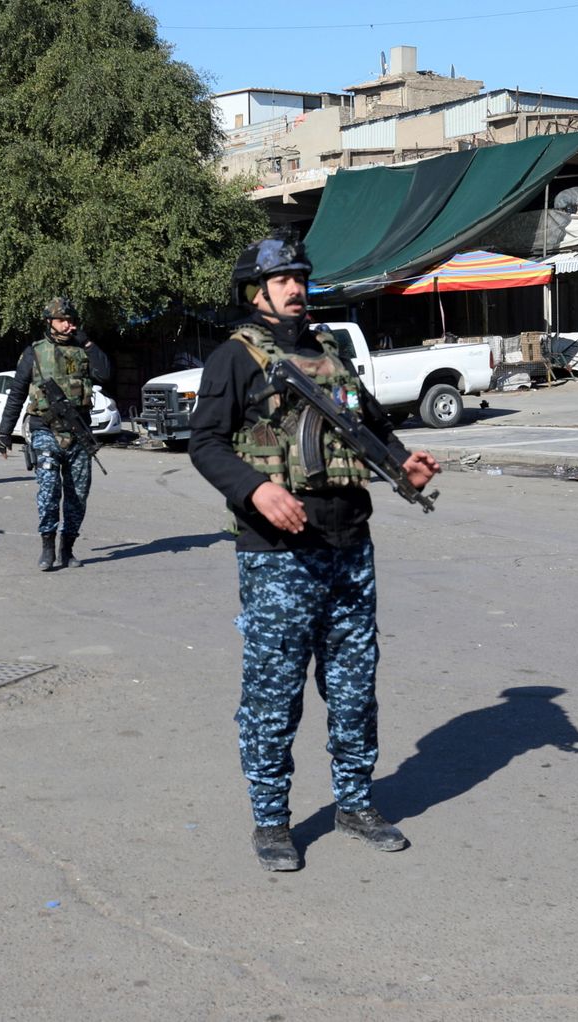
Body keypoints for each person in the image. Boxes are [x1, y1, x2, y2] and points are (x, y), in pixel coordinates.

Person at [188, 233, 440, 872]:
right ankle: (272, 820)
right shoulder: (235, 358)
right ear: (257, 291)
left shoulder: (330, 351)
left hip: (350, 542)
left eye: (302, 277)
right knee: (275, 690)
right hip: (277, 552)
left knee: (355, 685)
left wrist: (401, 466)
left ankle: (355, 803)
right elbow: (206, 444)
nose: (297, 288)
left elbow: (369, 426)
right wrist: (256, 489)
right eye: (283, 281)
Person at [0, 297, 111, 570]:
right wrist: (4, 433)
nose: (69, 325)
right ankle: (47, 547)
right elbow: (17, 394)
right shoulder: (34, 353)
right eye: (63, 320)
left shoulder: (83, 349)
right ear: (50, 322)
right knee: (49, 491)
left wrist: (87, 343)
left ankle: (67, 548)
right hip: (44, 428)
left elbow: (105, 374)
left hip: (79, 434)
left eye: (72, 320)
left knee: (78, 495)